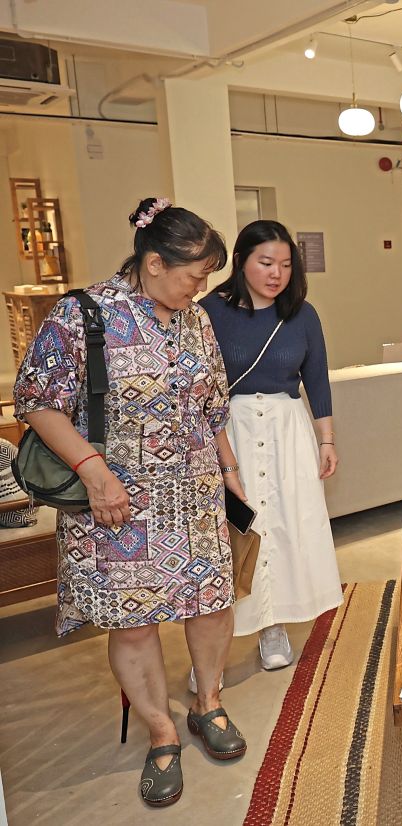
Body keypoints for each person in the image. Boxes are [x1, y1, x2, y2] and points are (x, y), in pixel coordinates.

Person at [13, 198, 245, 807]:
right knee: (134, 623)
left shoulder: (191, 318)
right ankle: (161, 731)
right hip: (114, 500)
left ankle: (208, 703)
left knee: (212, 602)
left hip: (193, 495)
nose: (201, 288)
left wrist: (229, 469)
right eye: (195, 275)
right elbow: (36, 401)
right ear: (152, 262)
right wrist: (94, 474)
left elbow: (211, 401)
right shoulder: (82, 314)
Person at [200, 220, 341, 674]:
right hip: (229, 429)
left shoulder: (302, 313)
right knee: (226, 533)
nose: (276, 273)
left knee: (282, 526)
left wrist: (327, 439)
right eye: (265, 262)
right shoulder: (207, 312)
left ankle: (273, 625)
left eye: (284, 264)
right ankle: (212, 646)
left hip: (285, 429)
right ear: (241, 261)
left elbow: (315, 378)